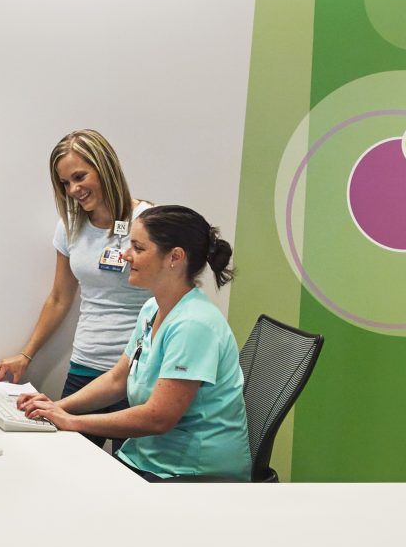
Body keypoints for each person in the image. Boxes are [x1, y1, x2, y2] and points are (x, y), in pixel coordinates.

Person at [16, 205, 248, 481]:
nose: (126, 255)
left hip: (189, 472)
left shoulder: (193, 325)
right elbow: (117, 379)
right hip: (148, 457)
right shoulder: (152, 308)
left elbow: (159, 418)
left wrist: (72, 422)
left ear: (175, 257)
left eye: (138, 248)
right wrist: (59, 407)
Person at [0, 129, 151, 400]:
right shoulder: (70, 227)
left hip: (136, 367)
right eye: (65, 183)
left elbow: (169, 295)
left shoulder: (146, 221)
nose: (73, 189)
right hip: (85, 364)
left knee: (130, 445)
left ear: (105, 168)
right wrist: (26, 354)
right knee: (66, 440)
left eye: (80, 177)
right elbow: (58, 298)